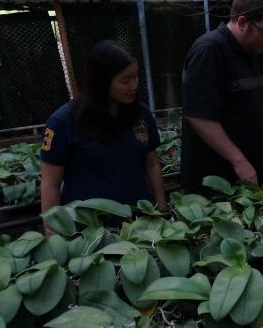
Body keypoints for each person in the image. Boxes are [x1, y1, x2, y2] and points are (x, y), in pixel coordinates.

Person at [40, 40, 167, 230]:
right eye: (125, 80)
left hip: (139, 226)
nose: (134, 85)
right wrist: (52, 234)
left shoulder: (140, 114)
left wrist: (162, 212)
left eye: (136, 77)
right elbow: (51, 184)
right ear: (102, 82)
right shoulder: (63, 122)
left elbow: (152, 164)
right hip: (87, 231)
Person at [181, 0, 263, 193]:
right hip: (217, 179)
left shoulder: (247, 51)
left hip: (246, 173)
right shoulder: (210, 50)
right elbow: (198, 116)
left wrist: (261, 160)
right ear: (243, 23)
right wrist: (239, 161)